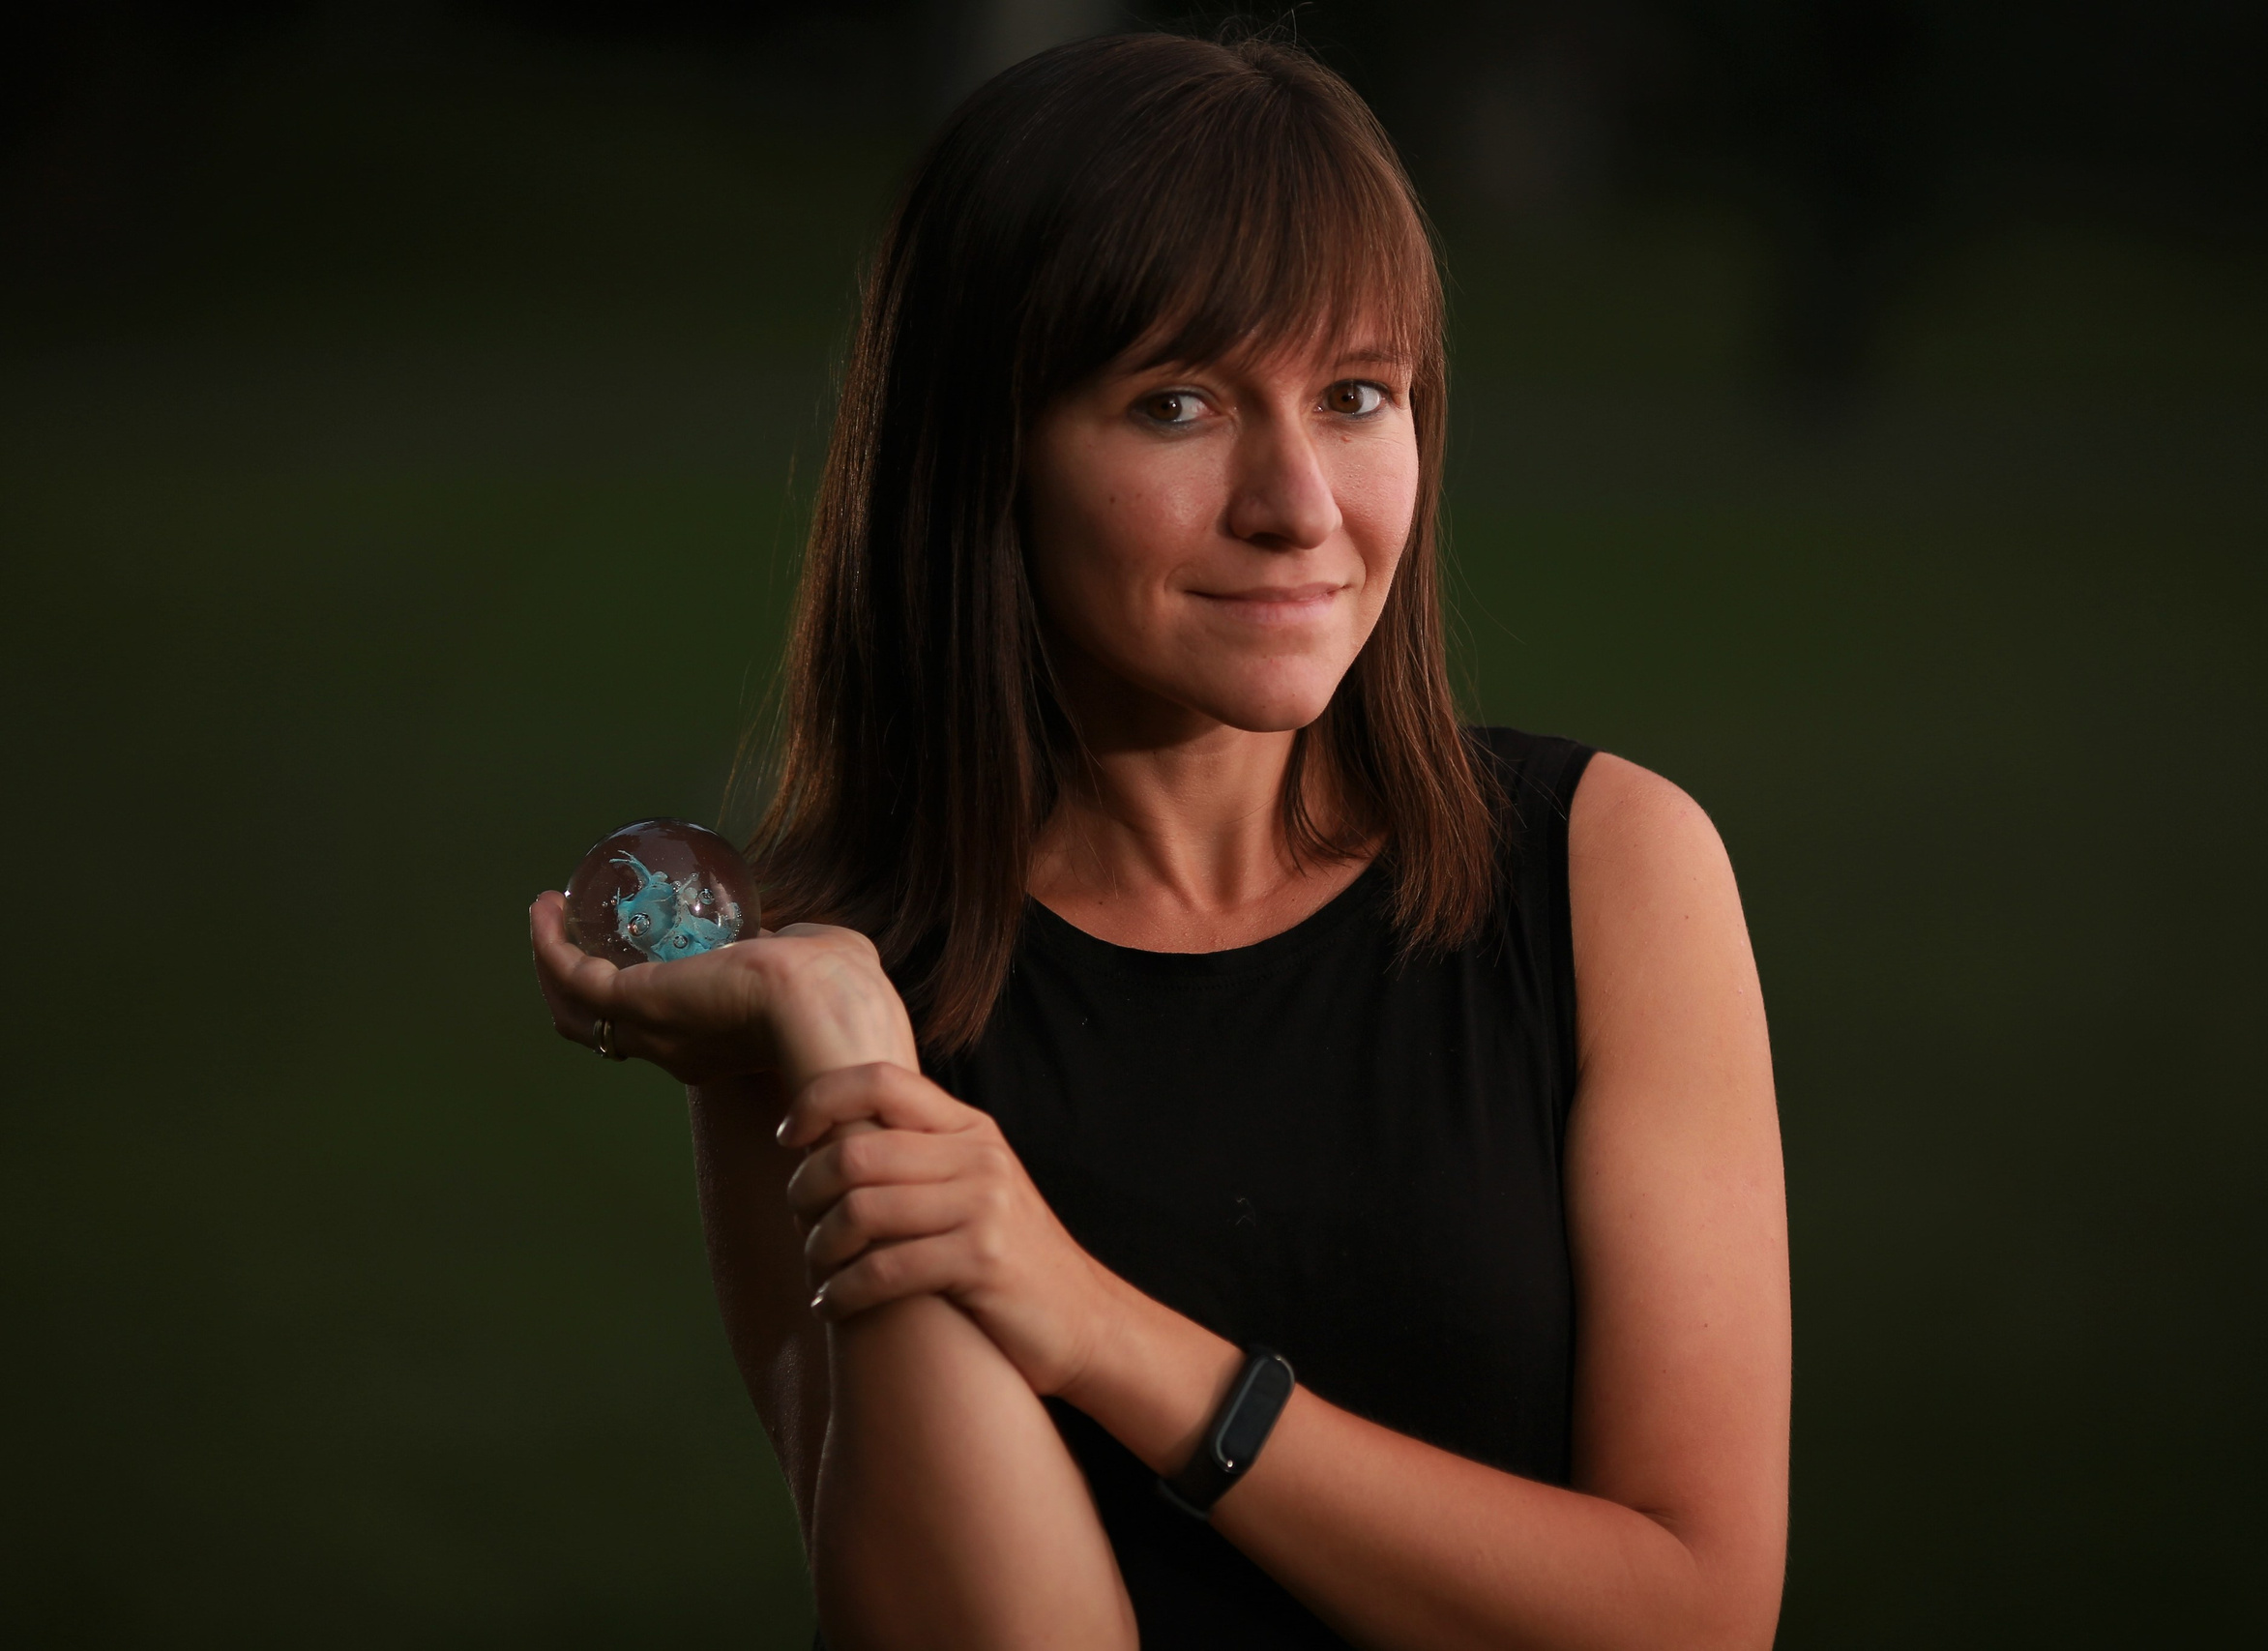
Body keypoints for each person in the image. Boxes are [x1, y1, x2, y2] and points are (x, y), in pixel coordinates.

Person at [530, 31, 1788, 1651]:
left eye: (1356, 396)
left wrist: (1095, 1327)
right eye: (1177, 404)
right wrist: (844, 1037)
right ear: (983, 457)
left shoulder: (1606, 871)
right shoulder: (827, 999)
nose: (1300, 505)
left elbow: (1692, 1618)